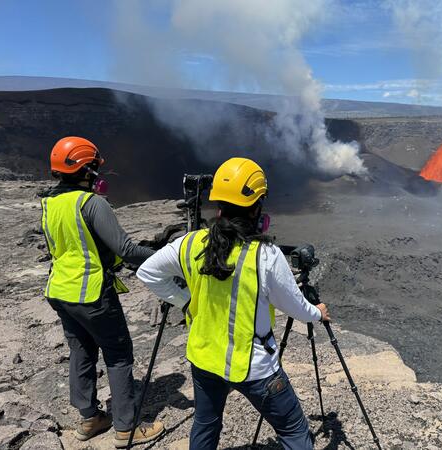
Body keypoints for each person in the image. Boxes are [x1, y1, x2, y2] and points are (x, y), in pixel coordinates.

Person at [137, 157, 331, 450]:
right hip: (253, 366)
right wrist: (317, 313)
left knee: (206, 422)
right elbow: (295, 308)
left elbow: (147, 271)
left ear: (219, 205)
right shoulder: (265, 255)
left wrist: (186, 302)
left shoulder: (190, 243)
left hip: (204, 358)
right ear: (257, 206)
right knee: (293, 432)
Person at [40, 136, 164, 448]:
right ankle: (126, 428)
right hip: (92, 293)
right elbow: (124, 248)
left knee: (81, 350)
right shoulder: (91, 203)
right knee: (119, 355)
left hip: (60, 291)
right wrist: (166, 257)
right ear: (88, 168)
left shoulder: (50, 203)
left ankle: (90, 417)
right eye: (95, 167)